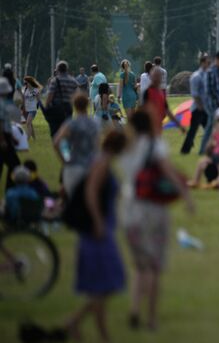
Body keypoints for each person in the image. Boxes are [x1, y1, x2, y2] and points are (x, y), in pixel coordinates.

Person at [121, 109, 194, 331]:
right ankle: (151, 319)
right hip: (153, 209)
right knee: (153, 267)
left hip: (129, 209)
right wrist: (186, 195)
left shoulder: (125, 147)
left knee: (139, 266)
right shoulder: (155, 145)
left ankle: (134, 310)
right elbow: (167, 171)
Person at [63, 129, 128, 342]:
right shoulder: (101, 163)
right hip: (98, 230)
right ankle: (102, 336)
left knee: (107, 285)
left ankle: (75, 323)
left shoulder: (103, 161)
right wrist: (98, 220)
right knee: (103, 284)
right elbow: (91, 191)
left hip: (104, 227)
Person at [53, 93, 100, 196]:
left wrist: (65, 160)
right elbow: (98, 145)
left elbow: (56, 142)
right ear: (87, 105)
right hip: (90, 167)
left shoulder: (71, 123)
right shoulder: (95, 124)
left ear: (74, 105)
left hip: (73, 165)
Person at [180, 53, 210, 155]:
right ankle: (185, 150)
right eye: (207, 62)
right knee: (193, 131)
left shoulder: (207, 75)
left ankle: (207, 149)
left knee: (208, 130)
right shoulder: (196, 76)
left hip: (205, 108)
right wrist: (200, 106)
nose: (209, 64)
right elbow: (195, 94)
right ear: (202, 63)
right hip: (198, 108)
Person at [142, 67, 185, 136]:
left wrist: (179, 125)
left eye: (158, 76)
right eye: (155, 76)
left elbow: (167, 111)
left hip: (158, 128)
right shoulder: (147, 92)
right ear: (151, 77)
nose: (157, 78)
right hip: (149, 130)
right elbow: (144, 112)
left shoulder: (161, 93)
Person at [199, 51, 219, 153]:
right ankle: (203, 150)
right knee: (210, 127)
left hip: (218, 103)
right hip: (212, 104)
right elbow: (210, 90)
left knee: (213, 127)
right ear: (218, 60)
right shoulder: (211, 72)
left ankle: (214, 148)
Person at [44, 61, 78, 137]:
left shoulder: (55, 81)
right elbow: (77, 96)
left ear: (58, 69)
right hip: (69, 107)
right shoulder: (73, 81)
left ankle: (60, 143)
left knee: (57, 129)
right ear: (67, 69)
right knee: (67, 127)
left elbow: (50, 96)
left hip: (57, 108)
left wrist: (46, 107)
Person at [0, 78, 21, 190]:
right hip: (3, 137)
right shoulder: (1, 104)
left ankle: (9, 188)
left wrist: (12, 137)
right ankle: (9, 188)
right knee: (15, 164)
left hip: (6, 136)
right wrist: (3, 140)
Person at [22, 76, 42, 140]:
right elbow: (24, 100)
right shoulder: (25, 90)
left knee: (28, 123)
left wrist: (38, 106)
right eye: (24, 83)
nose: (25, 85)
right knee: (30, 124)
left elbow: (39, 100)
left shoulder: (36, 90)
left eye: (26, 83)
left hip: (33, 109)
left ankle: (27, 140)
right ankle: (34, 138)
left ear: (30, 82)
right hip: (26, 109)